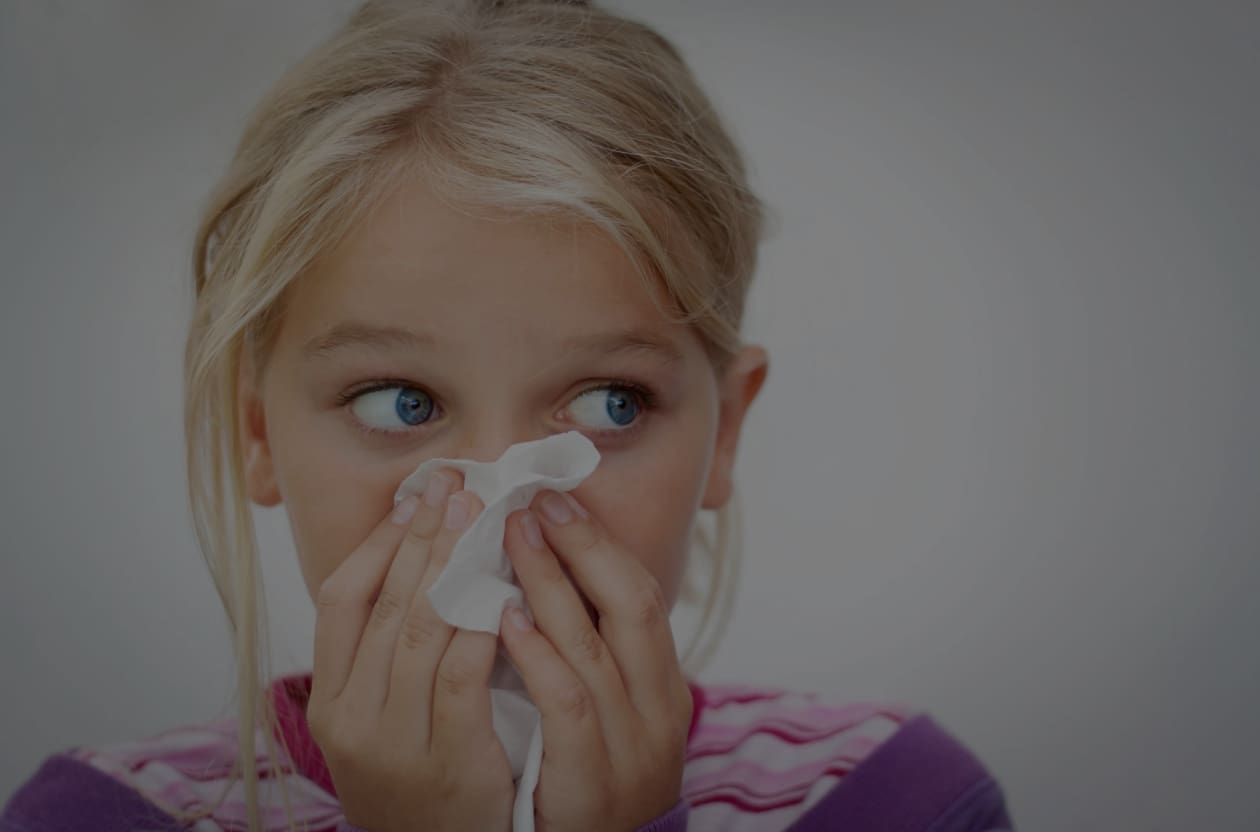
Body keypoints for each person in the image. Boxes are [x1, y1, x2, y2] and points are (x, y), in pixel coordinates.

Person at [1, 1, 1016, 829]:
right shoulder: (106, 816)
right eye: (402, 402)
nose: (502, 505)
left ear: (727, 432)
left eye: (609, 404)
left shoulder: (890, 798)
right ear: (258, 434)